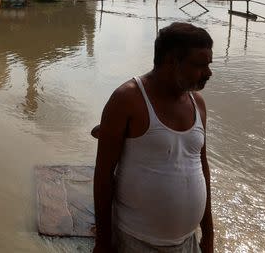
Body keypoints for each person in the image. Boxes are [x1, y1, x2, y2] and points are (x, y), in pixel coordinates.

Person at [92, 22, 214, 253]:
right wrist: (103, 241)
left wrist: (208, 235)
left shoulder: (197, 104)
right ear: (171, 61)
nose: (208, 73)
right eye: (199, 65)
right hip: (136, 242)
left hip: (188, 243)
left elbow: (203, 166)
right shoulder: (127, 99)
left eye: (208, 65)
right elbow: (103, 176)